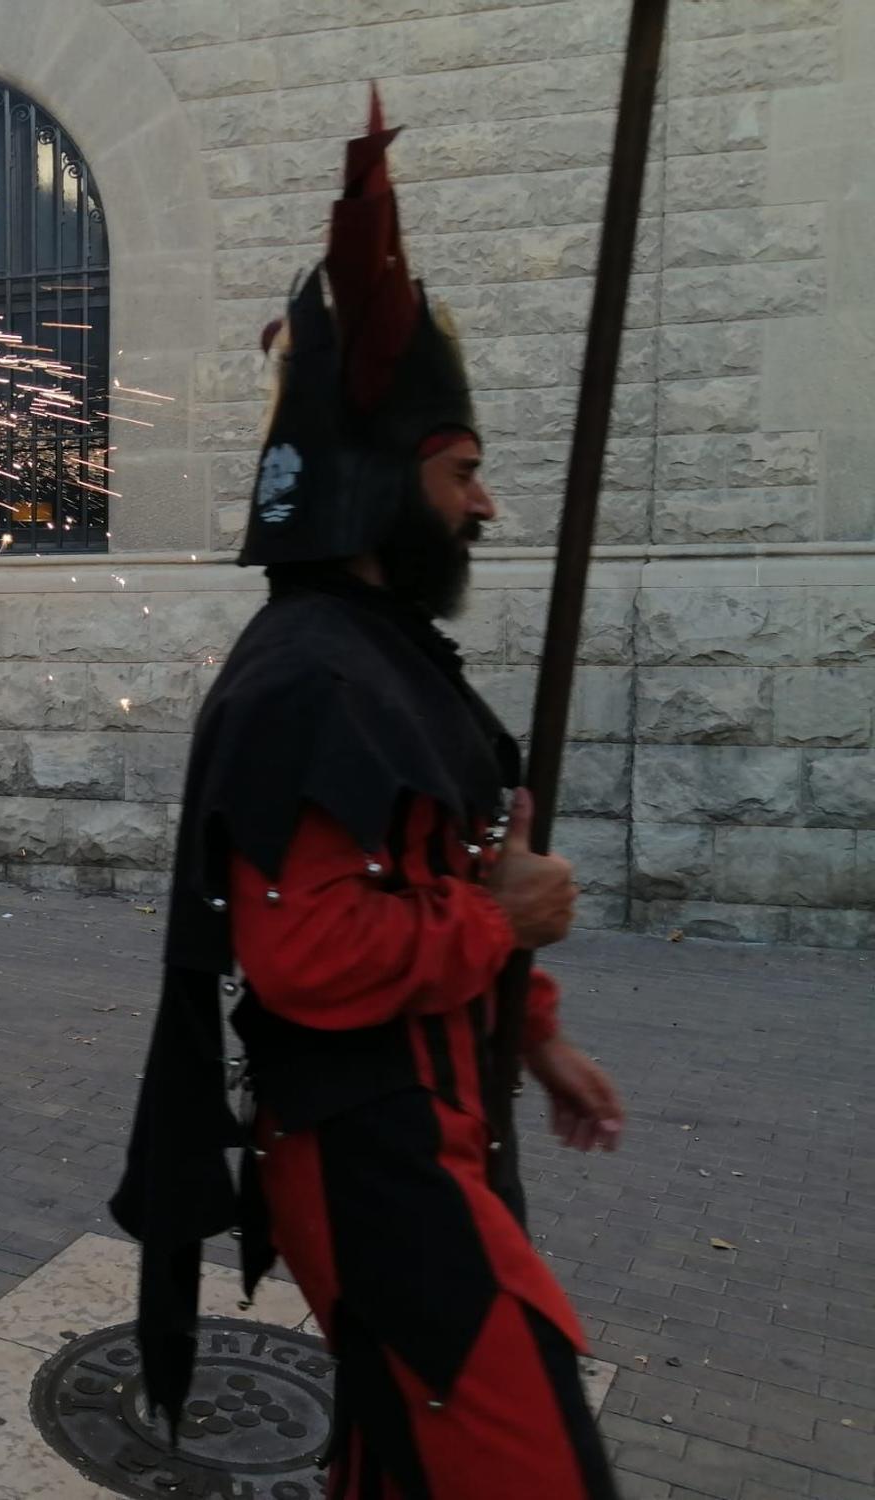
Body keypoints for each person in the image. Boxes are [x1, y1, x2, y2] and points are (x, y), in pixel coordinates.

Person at [110, 90, 625, 1499]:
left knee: (408, 1463)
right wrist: (503, 928)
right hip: (369, 1155)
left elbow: (442, 872)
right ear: (384, 485)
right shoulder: (308, 684)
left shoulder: (386, 660)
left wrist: (535, 1035)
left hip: (436, 1132)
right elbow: (313, 955)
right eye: (462, 473)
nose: (484, 506)